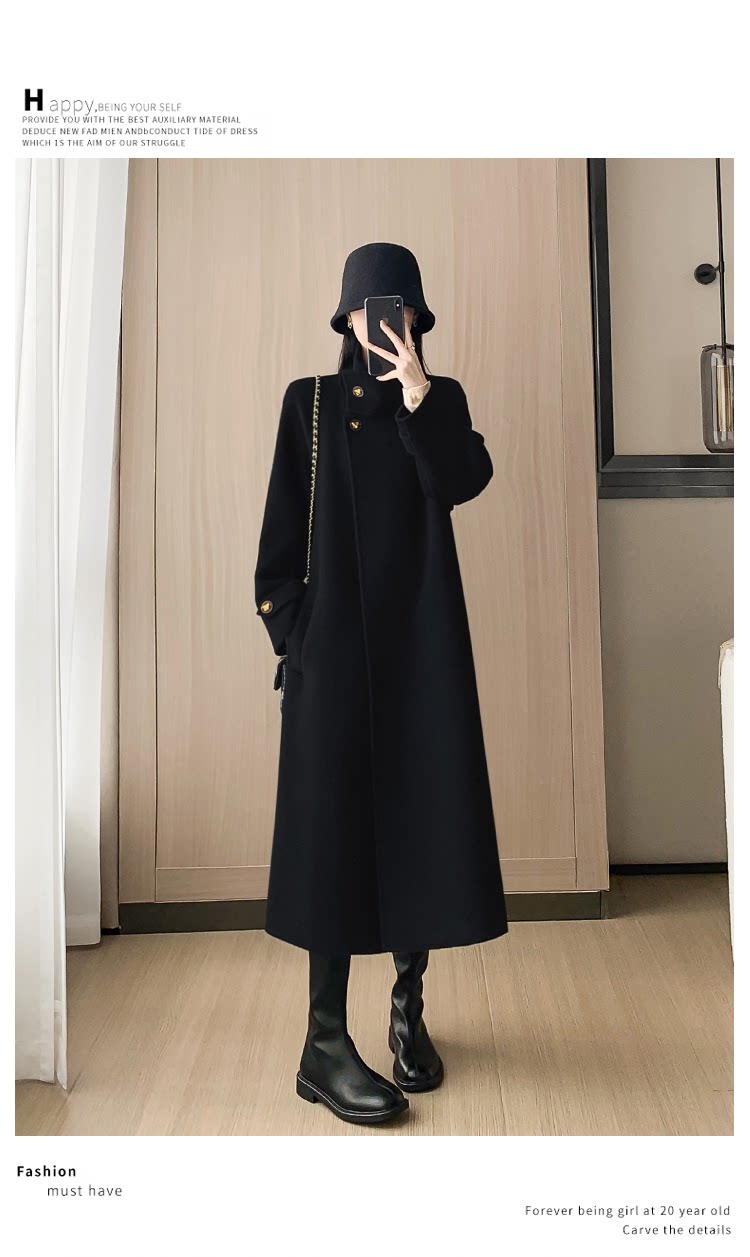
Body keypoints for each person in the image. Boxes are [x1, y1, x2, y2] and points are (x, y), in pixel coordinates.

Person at [255, 242, 508, 1126]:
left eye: (398, 309)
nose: (383, 323)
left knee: (418, 821)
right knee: (330, 837)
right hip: (332, 655)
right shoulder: (310, 404)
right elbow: (279, 538)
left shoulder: (439, 400)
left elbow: (462, 481)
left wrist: (419, 397)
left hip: (420, 648)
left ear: (417, 318)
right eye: (370, 309)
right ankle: (324, 1042)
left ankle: (407, 1011)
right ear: (347, 318)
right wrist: (296, 632)